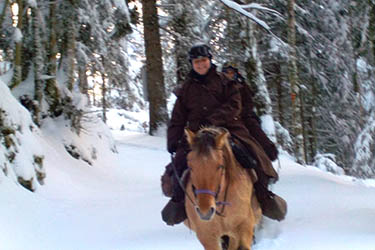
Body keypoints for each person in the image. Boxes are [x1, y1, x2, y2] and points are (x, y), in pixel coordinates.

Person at [161, 44, 286, 226]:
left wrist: (213, 120)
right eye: (197, 62)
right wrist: (173, 140)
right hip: (197, 136)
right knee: (180, 163)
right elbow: (178, 117)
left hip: (227, 130)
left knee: (251, 156)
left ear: (210, 60)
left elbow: (234, 106)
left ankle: (264, 196)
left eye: (203, 61)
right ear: (192, 64)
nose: (201, 65)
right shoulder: (186, 89)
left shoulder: (225, 82)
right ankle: (179, 201)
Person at [221, 62, 279, 162]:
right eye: (227, 72)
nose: (229, 75)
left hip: (244, 116)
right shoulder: (220, 87)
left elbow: (249, 103)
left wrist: (241, 113)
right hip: (226, 117)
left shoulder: (243, 86)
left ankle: (267, 154)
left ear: (236, 73)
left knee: (254, 129)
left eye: (231, 73)